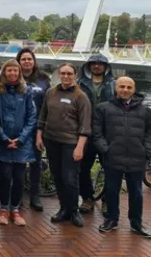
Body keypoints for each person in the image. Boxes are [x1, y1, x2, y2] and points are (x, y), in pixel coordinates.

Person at [94, 76, 151, 237]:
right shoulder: (103, 108)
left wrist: (146, 150)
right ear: (116, 88)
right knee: (112, 190)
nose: (125, 90)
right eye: (122, 87)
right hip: (113, 157)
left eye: (129, 87)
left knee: (137, 193)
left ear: (134, 89)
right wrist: (106, 149)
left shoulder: (145, 111)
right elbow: (97, 133)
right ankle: (112, 220)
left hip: (137, 157)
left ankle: (136, 223)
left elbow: (149, 133)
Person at [36, 63, 91, 228]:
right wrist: (39, 135)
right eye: (63, 73)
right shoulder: (50, 92)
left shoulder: (81, 96)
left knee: (70, 178)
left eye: (69, 73)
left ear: (75, 75)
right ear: (59, 74)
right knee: (58, 176)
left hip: (71, 143)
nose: (66, 76)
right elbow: (43, 115)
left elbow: (85, 125)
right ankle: (63, 208)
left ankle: (73, 210)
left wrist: (80, 146)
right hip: (51, 140)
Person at [0, 59, 36, 226]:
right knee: (4, 176)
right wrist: (3, 138)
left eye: (15, 71)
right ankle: (4, 208)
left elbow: (32, 117)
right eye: (9, 70)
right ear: (4, 73)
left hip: (21, 144)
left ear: (19, 73)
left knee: (19, 178)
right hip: (3, 142)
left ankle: (16, 209)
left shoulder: (26, 91)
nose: (12, 73)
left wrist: (21, 138)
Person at [77, 54, 115, 215]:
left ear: (106, 67)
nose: (97, 66)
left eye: (101, 64)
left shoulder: (114, 85)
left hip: (107, 134)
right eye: (94, 64)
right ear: (89, 66)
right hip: (86, 132)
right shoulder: (79, 84)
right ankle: (87, 198)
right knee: (82, 168)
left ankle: (107, 200)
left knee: (110, 168)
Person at [16, 47, 51, 212]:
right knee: (19, 162)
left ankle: (35, 196)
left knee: (36, 163)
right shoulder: (13, 77)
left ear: (34, 61)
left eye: (29, 59)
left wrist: (43, 129)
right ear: (19, 61)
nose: (26, 62)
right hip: (18, 127)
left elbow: (47, 104)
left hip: (37, 127)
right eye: (23, 59)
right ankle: (18, 196)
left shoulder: (43, 79)